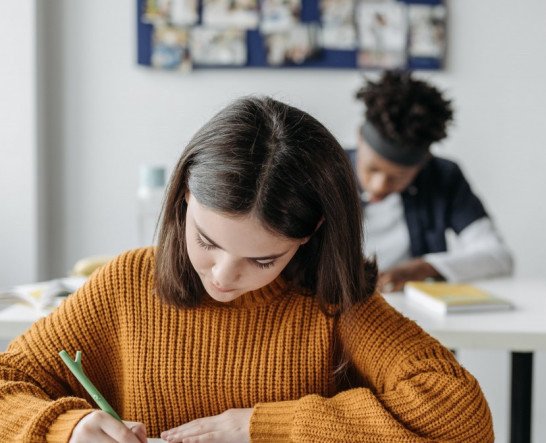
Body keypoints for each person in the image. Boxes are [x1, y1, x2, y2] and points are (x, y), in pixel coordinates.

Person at [0, 96, 493, 442]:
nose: (223, 275)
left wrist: (264, 428)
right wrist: (66, 429)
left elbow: (462, 419)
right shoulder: (129, 283)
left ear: (310, 234)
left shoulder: (333, 301)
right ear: (184, 198)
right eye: (206, 241)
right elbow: (7, 384)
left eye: (263, 259)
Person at [350, 70, 514, 292]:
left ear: (423, 163)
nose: (379, 185)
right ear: (359, 138)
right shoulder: (322, 172)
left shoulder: (443, 176)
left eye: (397, 176)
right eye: (372, 168)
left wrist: (422, 268)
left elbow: (498, 256)